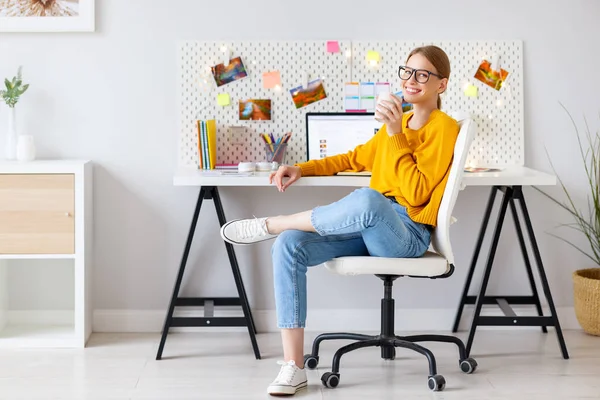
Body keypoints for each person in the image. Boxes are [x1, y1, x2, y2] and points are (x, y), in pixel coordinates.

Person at [220, 45, 459, 396]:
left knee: (367, 199)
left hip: (407, 234)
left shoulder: (443, 127)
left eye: (423, 74)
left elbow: (419, 192)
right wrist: (301, 168)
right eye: (407, 72)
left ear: (441, 85)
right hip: (372, 227)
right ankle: (293, 366)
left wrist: (395, 133)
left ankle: (274, 222)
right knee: (290, 245)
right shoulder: (401, 123)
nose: (411, 80)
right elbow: (351, 158)